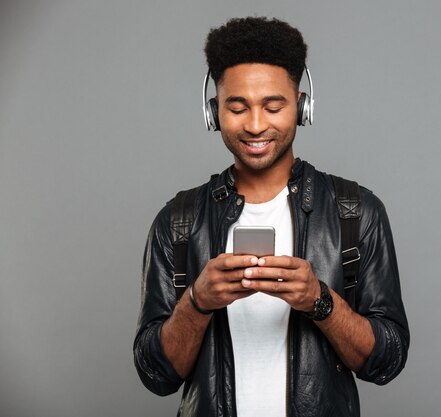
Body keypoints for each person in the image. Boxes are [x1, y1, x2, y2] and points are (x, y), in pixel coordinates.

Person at [134, 16, 409, 417]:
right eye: (237, 107)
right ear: (214, 113)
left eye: (273, 106)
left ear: (301, 106)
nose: (256, 125)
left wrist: (319, 301)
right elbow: (155, 375)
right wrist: (198, 301)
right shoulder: (178, 222)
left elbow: (388, 360)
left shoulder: (356, 211)